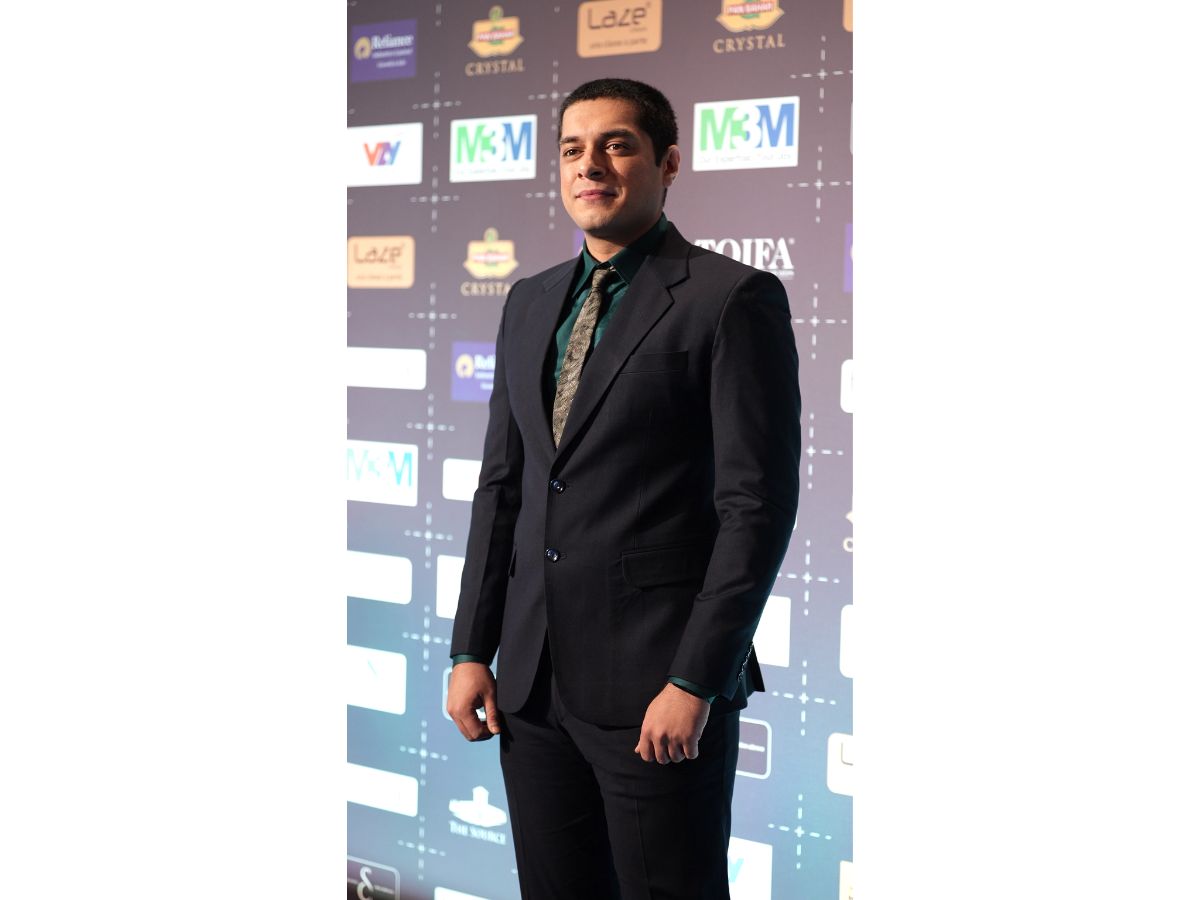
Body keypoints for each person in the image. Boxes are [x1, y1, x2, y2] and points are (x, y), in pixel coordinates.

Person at [447, 77, 801, 900]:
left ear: (668, 162)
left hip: (657, 692)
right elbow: (502, 489)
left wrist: (695, 680)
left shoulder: (729, 298)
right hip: (531, 690)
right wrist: (471, 649)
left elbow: (755, 509)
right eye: (572, 149)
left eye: (617, 145)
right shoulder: (529, 301)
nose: (590, 165)